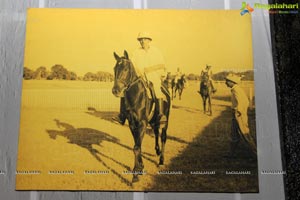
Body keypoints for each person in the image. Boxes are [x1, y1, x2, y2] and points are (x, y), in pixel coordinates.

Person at [113, 32, 167, 125]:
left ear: (149, 40)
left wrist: (149, 69)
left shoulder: (156, 51)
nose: (142, 41)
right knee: (125, 90)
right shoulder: (136, 52)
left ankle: (160, 115)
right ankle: (122, 115)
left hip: (153, 75)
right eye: (141, 40)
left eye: (144, 39)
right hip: (140, 76)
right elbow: (132, 65)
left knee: (157, 88)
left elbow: (162, 65)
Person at [225, 74, 257, 157]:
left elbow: (245, 102)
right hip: (235, 114)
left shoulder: (236, 90)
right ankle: (231, 154)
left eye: (227, 81)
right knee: (234, 135)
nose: (226, 82)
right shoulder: (234, 89)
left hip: (239, 114)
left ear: (232, 82)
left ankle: (256, 154)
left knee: (245, 134)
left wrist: (239, 111)